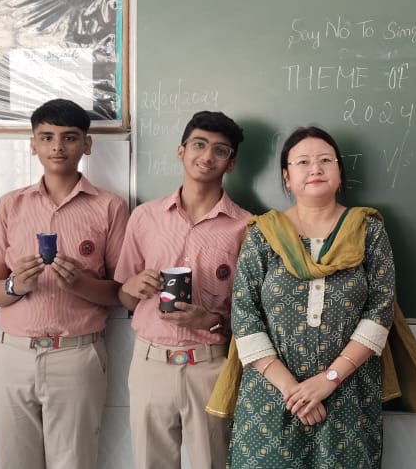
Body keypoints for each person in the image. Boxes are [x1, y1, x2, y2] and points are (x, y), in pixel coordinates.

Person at [226, 126, 395, 468]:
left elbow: (380, 310)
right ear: (286, 177)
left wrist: (328, 381)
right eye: (302, 162)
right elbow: (244, 315)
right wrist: (294, 390)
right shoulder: (263, 234)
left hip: (347, 393)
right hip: (271, 396)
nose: (315, 168)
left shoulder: (368, 230)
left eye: (325, 160)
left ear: (339, 173)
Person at [0, 98, 129, 469]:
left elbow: (121, 293)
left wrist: (79, 284)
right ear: (33, 144)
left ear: (87, 144)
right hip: (14, 354)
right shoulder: (11, 205)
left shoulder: (110, 206)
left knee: (74, 461)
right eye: (46, 137)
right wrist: (15, 286)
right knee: (14, 461)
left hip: (76, 355)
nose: (57, 146)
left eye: (69, 137)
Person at [114, 111, 251, 469]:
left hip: (211, 364)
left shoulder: (246, 227)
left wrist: (211, 320)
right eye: (198, 145)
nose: (207, 156)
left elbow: (252, 315)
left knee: (213, 462)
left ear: (231, 163)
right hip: (150, 363)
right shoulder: (145, 217)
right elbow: (124, 297)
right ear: (181, 151)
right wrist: (132, 286)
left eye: (220, 150)